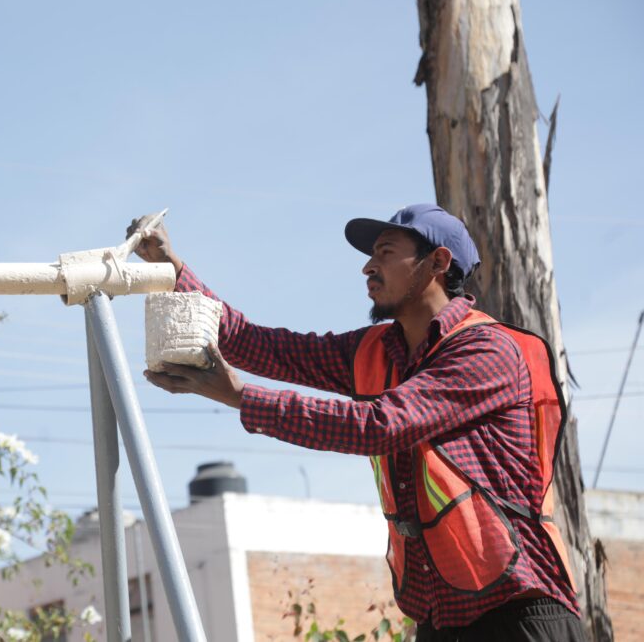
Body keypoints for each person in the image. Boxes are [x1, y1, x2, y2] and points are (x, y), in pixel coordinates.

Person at [131, 204, 584, 642]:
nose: (367, 267)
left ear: (438, 262)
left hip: (520, 612)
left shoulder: (487, 349)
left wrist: (241, 397)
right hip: (442, 617)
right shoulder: (374, 350)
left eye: (385, 252)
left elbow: (380, 424)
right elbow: (255, 344)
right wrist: (171, 270)